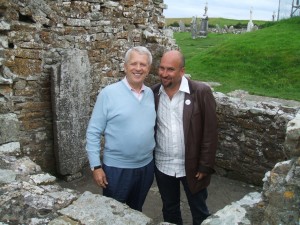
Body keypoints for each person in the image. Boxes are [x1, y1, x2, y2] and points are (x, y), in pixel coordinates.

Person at [85, 46, 156, 212]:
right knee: (114, 215)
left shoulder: (150, 94)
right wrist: (96, 166)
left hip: (146, 167)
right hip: (117, 170)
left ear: (149, 69)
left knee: (136, 212)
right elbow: (93, 132)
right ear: (125, 66)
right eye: (134, 63)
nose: (138, 68)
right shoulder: (108, 94)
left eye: (143, 64)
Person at [152, 50, 218, 225]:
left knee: (199, 210)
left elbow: (210, 132)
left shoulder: (201, 92)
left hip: (193, 166)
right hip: (163, 165)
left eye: (170, 70)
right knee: (170, 208)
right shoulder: (154, 93)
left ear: (182, 71)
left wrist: (205, 165)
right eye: (162, 68)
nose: (164, 74)